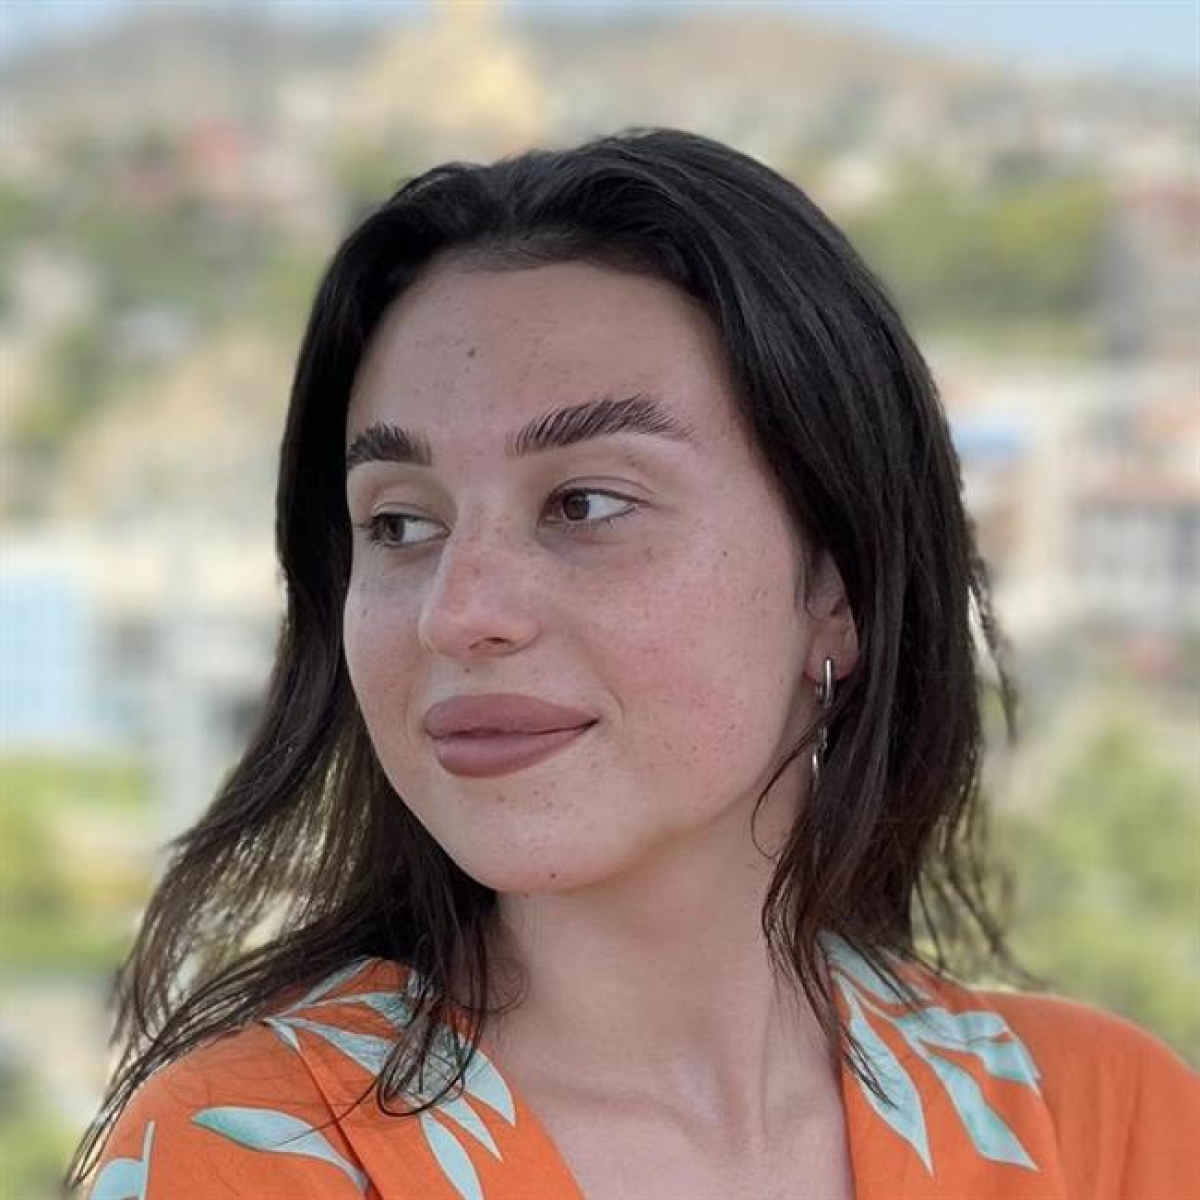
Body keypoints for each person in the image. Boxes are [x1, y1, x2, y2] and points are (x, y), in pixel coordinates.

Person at [69, 127, 1197, 1200]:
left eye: (585, 503)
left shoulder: (1108, 1133)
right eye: (400, 523)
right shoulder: (244, 1161)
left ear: (838, 587)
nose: (459, 613)